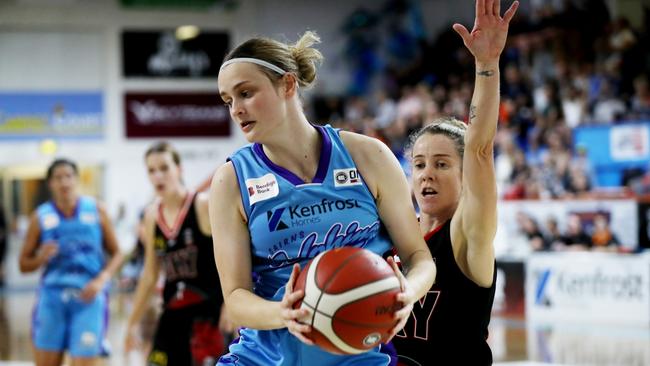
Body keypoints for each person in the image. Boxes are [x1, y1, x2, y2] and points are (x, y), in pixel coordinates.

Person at [211, 29, 436, 365]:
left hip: (358, 353)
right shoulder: (231, 181)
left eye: (245, 93)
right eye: (228, 100)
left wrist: (408, 293)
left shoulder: (369, 156)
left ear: (287, 85)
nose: (236, 110)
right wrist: (283, 312)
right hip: (262, 358)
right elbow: (236, 298)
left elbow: (420, 258)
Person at [391, 1, 519, 365]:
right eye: (419, 164)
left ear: (465, 176)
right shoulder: (396, 236)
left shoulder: (466, 234)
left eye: (442, 164)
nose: (426, 173)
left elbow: (479, 149)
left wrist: (487, 65)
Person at [124, 141, 229, 366]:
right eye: (151, 170)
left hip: (208, 314)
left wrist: (230, 305)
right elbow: (150, 274)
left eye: (164, 168)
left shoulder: (201, 205)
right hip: (172, 314)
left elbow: (233, 257)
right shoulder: (152, 216)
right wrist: (131, 323)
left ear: (179, 170)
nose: (158, 176)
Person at [18, 158, 123, 366]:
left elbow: (118, 253)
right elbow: (23, 264)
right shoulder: (40, 217)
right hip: (52, 299)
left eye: (68, 176)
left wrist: (101, 280)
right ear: (50, 183)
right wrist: (40, 258)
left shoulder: (96, 210)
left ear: (76, 180)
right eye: (58, 178)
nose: (64, 182)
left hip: (88, 297)